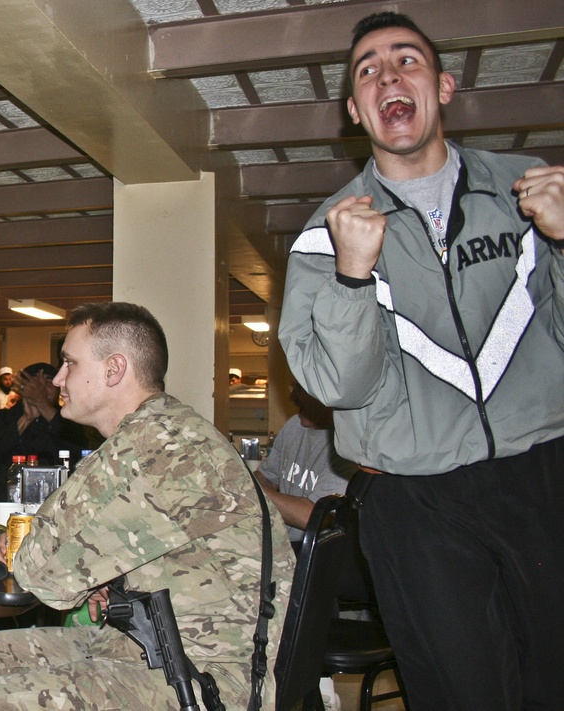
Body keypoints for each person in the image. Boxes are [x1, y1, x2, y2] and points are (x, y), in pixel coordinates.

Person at [278, 12, 564, 710]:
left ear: (442, 85)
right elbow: (335, 385)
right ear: (355, 110)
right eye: (367, 70)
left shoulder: (528, 190)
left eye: (405, 61)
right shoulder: (327, 232)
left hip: (543, 470)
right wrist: (352, 277)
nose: (387, 76)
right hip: (414, 496)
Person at [0, 302, 294, 710]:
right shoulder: (171, 428)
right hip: (162, 644)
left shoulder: (147, 448)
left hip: (207, 677)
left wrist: (41, 555)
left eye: (70, 363)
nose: (58, 379)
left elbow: (38, 571)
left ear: (113, 370)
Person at [255, 383, 356, 546]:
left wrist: (249, 490)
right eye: (293, 388)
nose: (292, 397)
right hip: (280, 543)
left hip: (318, 552)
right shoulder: (294, 425)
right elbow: (267, 478)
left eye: (301, 390)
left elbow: (313, 517)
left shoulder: (347, 446)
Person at [0, 362, 86, 501]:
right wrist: (25, 419)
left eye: (48, 382)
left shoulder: (71, 419)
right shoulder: (2, 417)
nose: (41, 389)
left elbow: (80, 451)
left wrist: (42, 404)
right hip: (8, 499)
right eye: (35, 383)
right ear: (23, 387)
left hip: (59, 500)